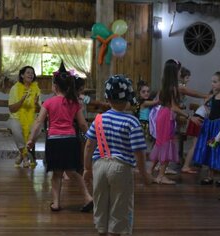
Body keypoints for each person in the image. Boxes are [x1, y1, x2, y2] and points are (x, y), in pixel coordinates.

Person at [83, 74, 152, 236]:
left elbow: (88, 145)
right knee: (120, 204)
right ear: (129, 100)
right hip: (121, 168)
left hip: (99, 165)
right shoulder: (132, 122)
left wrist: (87, 168)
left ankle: (101, 230)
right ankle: (116, 231)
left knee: (100, 201)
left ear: (107, 98)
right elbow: (139, 153)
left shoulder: (98, 120)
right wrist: (144, 174)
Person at [26, 63, 93, 212]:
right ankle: (87, 197)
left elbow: (38, 122)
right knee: (73, 172)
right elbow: (82, 124)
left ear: (55, 87)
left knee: (56, 174)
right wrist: (90, 136)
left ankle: (56, 203)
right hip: (70, 140)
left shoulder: (48, 103)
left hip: (54, 141)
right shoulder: (74, 102)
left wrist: (31, 139)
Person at [149, 59, 194, 184]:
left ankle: (150, 172)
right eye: (179, 70)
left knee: (160, 144)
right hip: (166, 116)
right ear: (175, 72)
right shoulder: (173, 88)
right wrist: (188, 116)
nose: (181, 73)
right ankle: (161, 176)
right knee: (166, 145)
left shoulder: (165, 85)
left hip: (161, 115)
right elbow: (173, 107)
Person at [193, 71, 220, 186]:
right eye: (212, 81)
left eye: (215, 82)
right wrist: (205, 105)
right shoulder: (213, 97)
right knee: (210, 150)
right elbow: (210, 112)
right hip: (210, 126)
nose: (212, 84)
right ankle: (209, 176)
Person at [8, 66, 41, 168]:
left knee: (37, 130)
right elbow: (12, 109)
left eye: (32, 73)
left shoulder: (36, 89)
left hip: (32, 118)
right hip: (15, 117)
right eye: (28, 73)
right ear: (22, 75)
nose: (31, 74)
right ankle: (26, 156)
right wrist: (21, 101)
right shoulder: (15, 88)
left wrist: (36, 104)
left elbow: (39, 110)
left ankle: (21, 154)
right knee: (16, 129)